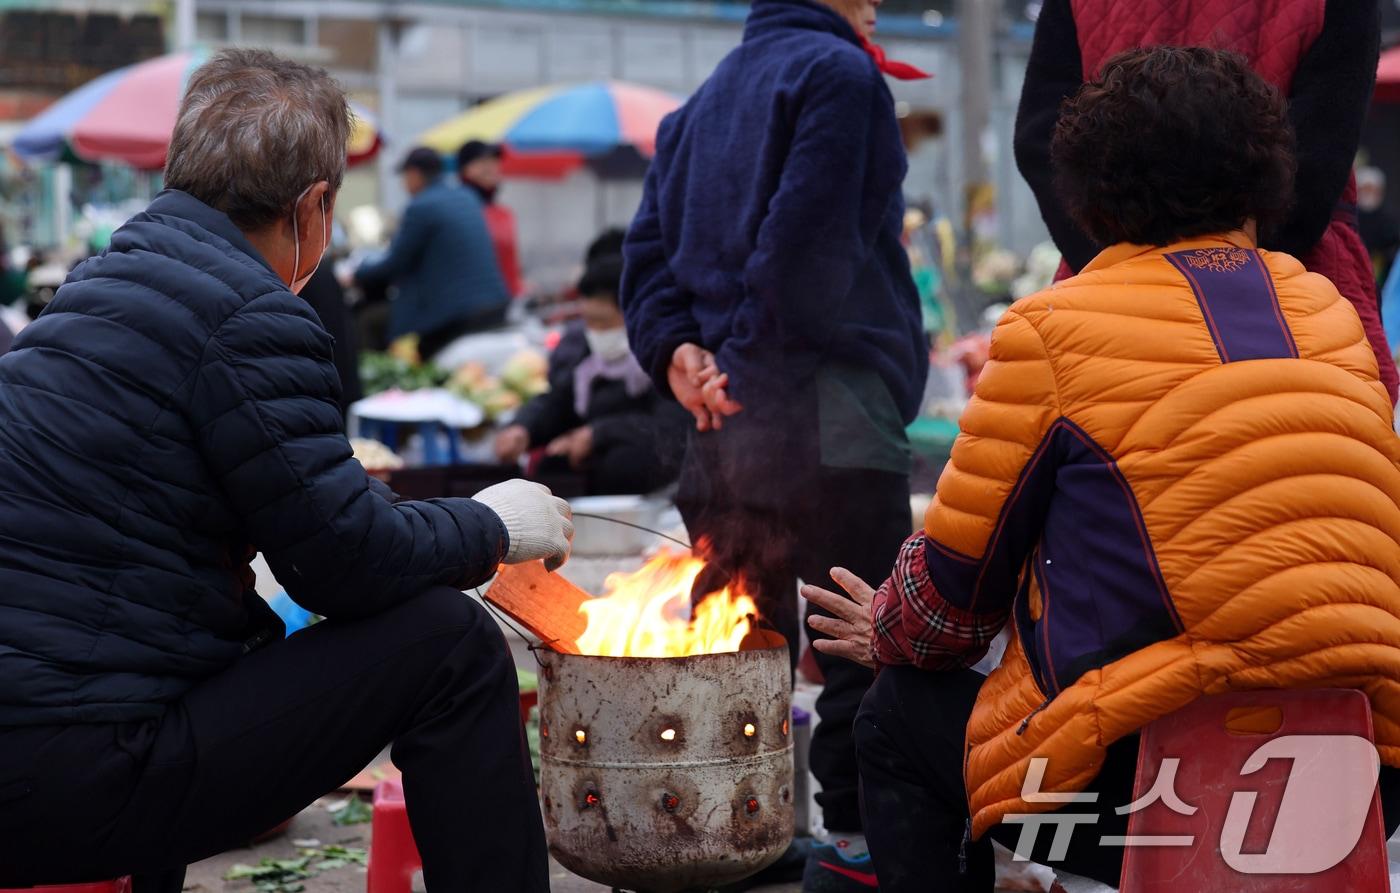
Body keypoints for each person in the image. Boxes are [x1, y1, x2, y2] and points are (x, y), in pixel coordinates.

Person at [803, 47, 1400, 892]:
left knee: (894, 720)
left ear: (1089, 186)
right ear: (1267, 175)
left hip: (1162, 789)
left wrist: (894, 630)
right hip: (1364, 779)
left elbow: (951, 602)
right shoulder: (1331, 316)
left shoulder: (1055, 328)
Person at [0, 49, 573, 893]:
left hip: (37, 744)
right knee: (448, 644)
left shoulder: (89, 293)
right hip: (77, 773)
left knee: (175, 658)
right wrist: (493, 525)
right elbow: (348, 563)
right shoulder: (248, 312)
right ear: (313, 207)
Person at [621, 0, 929, 888]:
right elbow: (806, 252)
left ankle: (728, 835)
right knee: (856, 634)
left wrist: (684, 358)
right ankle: (860, 846)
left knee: (740, 634)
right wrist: (743, 377)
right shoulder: (838, 75)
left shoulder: (698, 104)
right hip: (818, 408)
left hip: (717, 424)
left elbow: (646, 261)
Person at [1013, 0, 1400, 405]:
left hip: (1107, 280)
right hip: (1299, 288)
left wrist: (1120, 259)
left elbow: (1042, 138)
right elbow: (1320, 156)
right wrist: (1231, 271)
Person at [495, 254, 689, 495]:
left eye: (603, 322)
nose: (595, 332)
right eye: (589, 322)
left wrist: (598, 433)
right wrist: (523, 427)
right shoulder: (589, 361)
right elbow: (559, 401)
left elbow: (672, 428)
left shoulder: (667, 360)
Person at [355, 146, 509, 362]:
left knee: (370, 321)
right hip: (496, 304)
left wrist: (358, 273)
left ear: (415, 174)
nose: (404, 184)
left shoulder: (421, 207)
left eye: (405, 177)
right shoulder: (466, 197)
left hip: (455, 314)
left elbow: (395, 262)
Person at [459, 139, 524, 299]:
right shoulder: (459, 212)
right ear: (465, 169)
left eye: (494, 160)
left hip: (506, 303)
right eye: (482, 161)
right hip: (475, 304)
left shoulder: (504, 213)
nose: (491, 166)